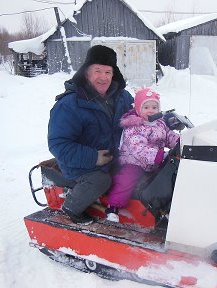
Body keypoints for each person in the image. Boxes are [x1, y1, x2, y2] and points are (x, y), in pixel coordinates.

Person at [48, 45, 134, 225]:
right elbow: (58, 144)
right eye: (98, 71)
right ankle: (72, 207)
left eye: (108, 72)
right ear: (86, 72)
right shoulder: (69, 105)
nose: (103, 77)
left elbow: (137, 115)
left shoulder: (122, 97)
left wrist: (156, 120)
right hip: (79, 164)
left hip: (113, 157)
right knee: (101, 180)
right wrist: (94, 158)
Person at [105, 88, 180, 222]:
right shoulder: (134, 127)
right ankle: (113, 206)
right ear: (139, 109)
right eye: (146, 107)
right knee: (126, 180)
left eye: (154, 107)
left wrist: (181, 142)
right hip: (134, 161)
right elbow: (138, 148)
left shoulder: (160, 123)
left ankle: (165, 207)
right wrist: (159, 155)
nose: (151, 110)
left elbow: (169, 136)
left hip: (155, 161)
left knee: (168, 177)